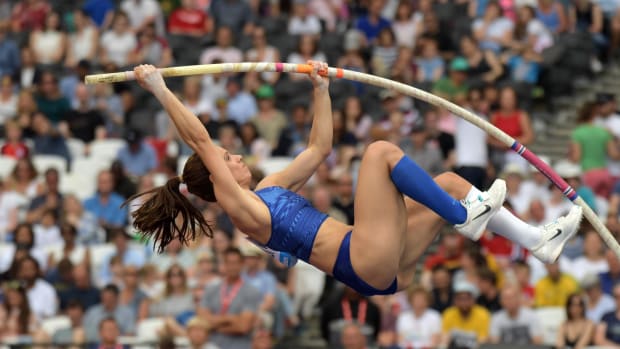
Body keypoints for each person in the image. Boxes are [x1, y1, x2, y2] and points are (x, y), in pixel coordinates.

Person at [127, 62, 583, 300]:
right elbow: (200, 139)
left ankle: (534, 240)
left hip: (380, 269)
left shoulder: (267, 190)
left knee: (448, 180)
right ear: (218, 177)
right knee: (380, 153)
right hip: (362, 257)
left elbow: (318, 149)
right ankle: (465, 219)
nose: (238, 157)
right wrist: (161, 89)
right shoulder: (241, 209)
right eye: (229, 158)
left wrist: (320, 90)